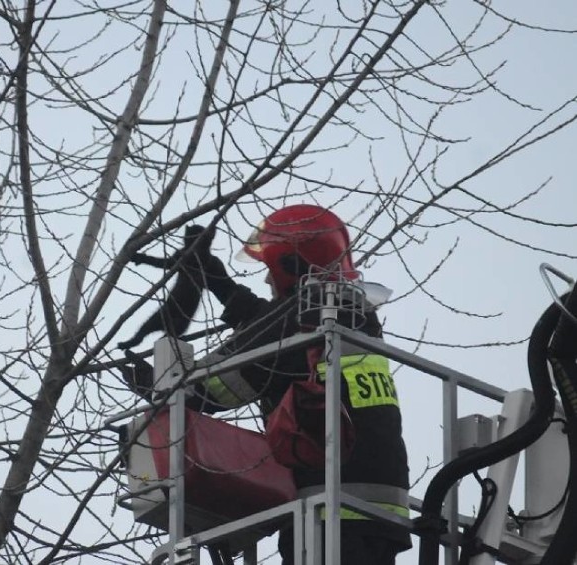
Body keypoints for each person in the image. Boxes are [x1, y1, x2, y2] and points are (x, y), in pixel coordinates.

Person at [122, 204, 410, 564]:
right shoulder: (348, 312)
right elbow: (272, 324)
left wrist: (155, 388)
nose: (266, 279)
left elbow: (216, 387)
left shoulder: (302, 318)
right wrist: (221, 284)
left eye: (269, 269)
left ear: (290, 266)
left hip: (326, 505)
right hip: (380, 509)